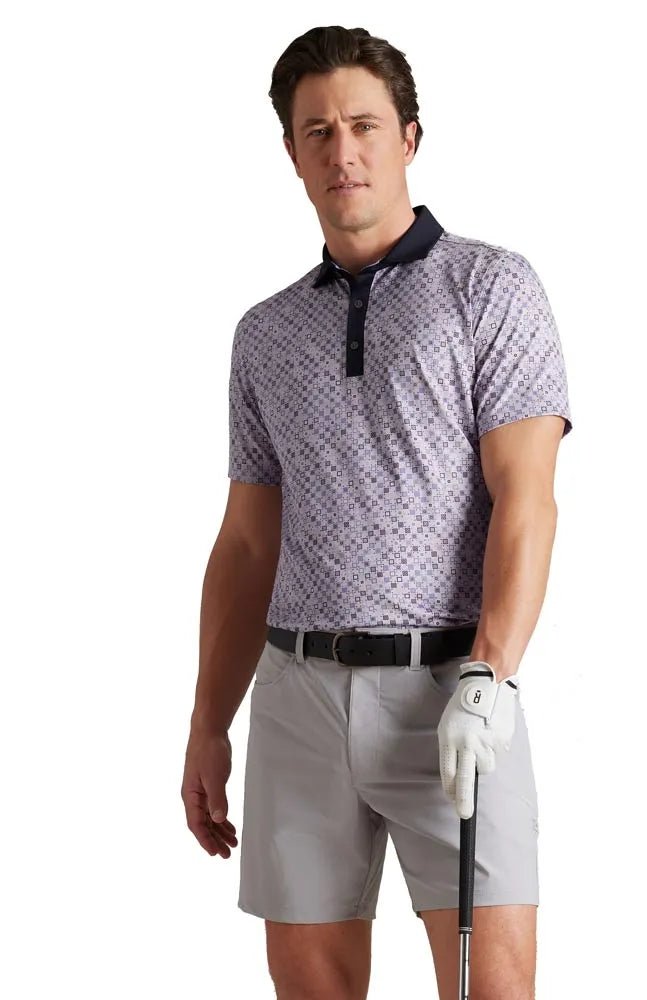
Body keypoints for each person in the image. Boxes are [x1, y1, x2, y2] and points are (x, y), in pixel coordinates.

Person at [181, 24, 573, 1000]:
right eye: (317, 131)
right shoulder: (265, 333)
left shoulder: (489, 288)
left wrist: (490, 673)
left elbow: (526, 498)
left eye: (362, 125)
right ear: (292, 152)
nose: (342, 151)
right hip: (298, 699)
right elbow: (247, 542)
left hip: (450, 693)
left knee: (493, 989)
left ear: (408, 138)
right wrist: (207, 719)